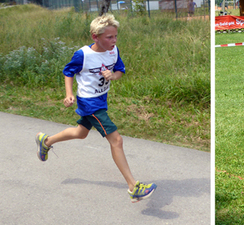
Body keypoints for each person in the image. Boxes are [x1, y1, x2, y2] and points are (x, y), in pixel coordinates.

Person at [35, 14, 157, 203]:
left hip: (101, 99)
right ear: (95, 37)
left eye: (115, 36)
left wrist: (113, 76)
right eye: (109, 37)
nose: (114, 40)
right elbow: (68, 71)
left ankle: (46, 141)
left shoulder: (113, 50)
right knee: (116, 140)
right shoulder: (83, 54)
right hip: (89, 102)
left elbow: (120, 71)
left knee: (81, 133)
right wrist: (69, 94)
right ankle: (134, 186)